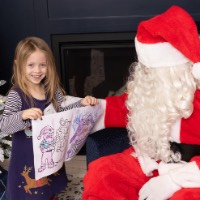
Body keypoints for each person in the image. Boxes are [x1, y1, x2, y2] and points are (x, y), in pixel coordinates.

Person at [82, 5, 200, 200]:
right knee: (102, 175)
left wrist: (174, 181)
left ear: (178, 73)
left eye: (155, 72)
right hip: (149, 162)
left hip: (192, 174)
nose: (147, 77)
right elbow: (120, 108)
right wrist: (83, 111)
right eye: (146, 70)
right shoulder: (147, 93)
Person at [0, 36, 98, 200]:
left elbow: (65, 109)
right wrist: (22, 115)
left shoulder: (51, 89)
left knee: (48, 186)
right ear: (19, 65)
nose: (37, 70)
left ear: (48, 65)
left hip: (50, 151)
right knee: (29, 191)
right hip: (27, 156)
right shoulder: (16, 95)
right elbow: (3, 126)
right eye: (30, 65)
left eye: (42, 65)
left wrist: (82, 103)